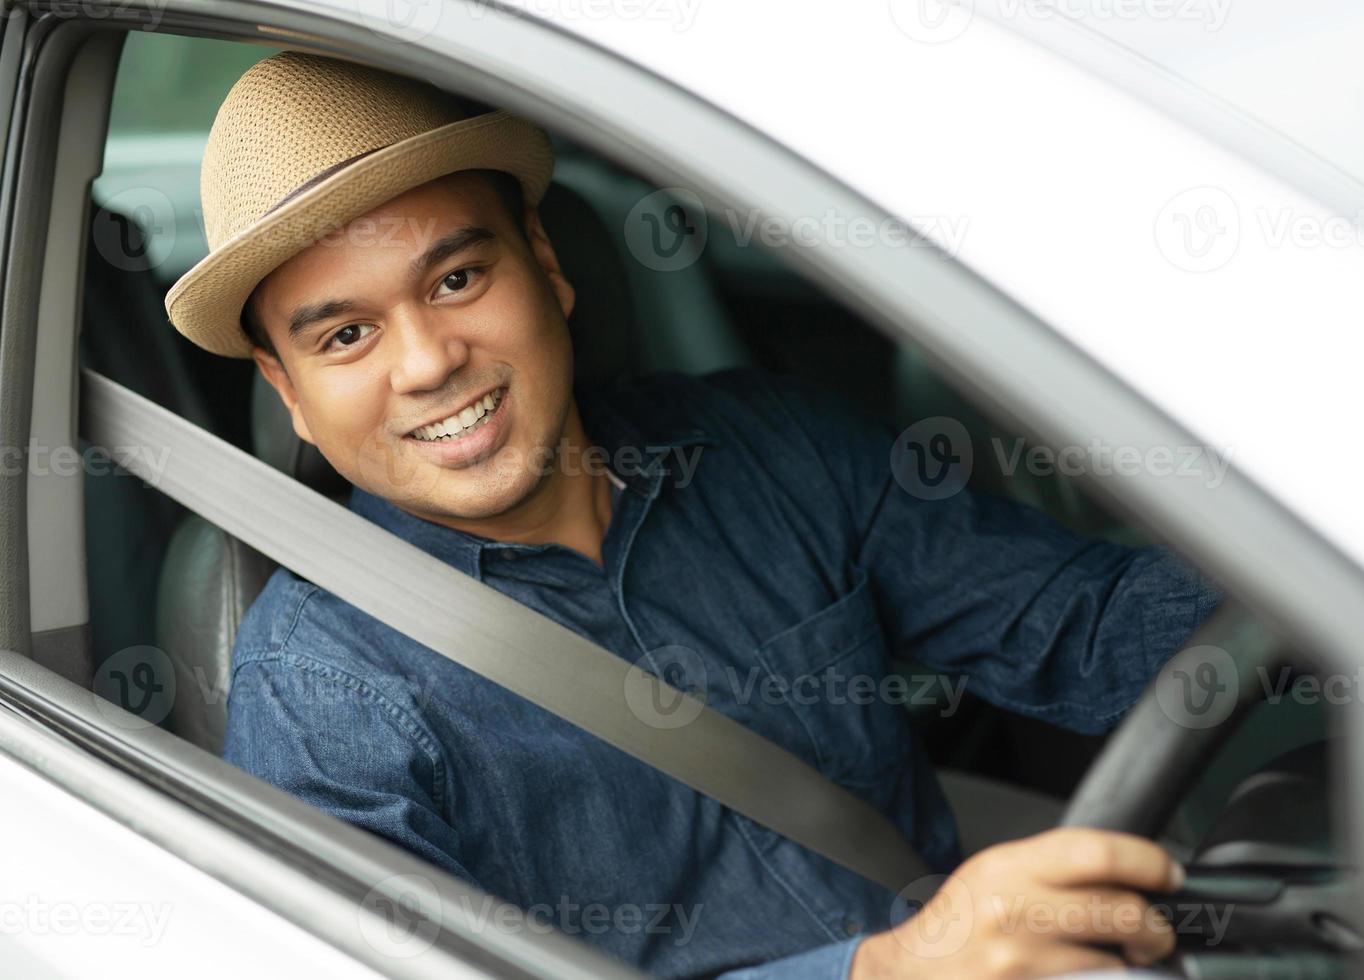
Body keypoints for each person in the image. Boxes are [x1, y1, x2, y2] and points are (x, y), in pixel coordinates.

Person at [163, 51, 1223, 979]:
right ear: (287, 387)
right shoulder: (322, 688)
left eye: (456, 275)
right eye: (345, 336)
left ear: (546, 261)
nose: (429, 360)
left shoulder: (771, 448)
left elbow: (1087, 632)